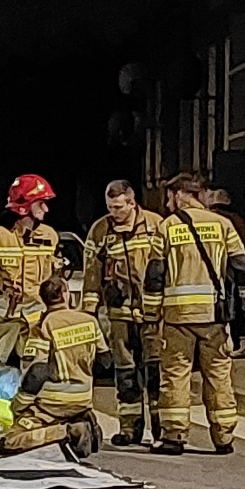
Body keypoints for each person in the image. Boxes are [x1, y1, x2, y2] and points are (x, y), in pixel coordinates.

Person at [144, 173, 245, 456]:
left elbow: (155, 274)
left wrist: (149, 314)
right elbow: (242, 268)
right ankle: (223, 437)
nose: (168, 203)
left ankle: (173, 436)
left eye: (170, 196)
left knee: (175, 375)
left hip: (177, 318)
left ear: (181, 195)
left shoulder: (167, 228)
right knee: (219, 374)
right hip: (214, 317)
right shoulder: (223, 225)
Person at [83, 180, 163, 447]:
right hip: (119, 312)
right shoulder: (101, 230)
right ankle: (129, 427)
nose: (114, 213)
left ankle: (160, 427)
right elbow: (92, 273)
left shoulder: (155, 225)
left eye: (118, 207)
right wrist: (89, 312)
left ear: (132, 202)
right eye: (110, 207)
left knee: (154, 371)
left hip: (152, 313)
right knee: (125, 372)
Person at [0, 276, 107, 459]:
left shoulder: (43, 326)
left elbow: (37, 372)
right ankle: (80, 419)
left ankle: (69, 432)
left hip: (51, 403)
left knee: (10, 440)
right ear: (65, 294)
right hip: (83, 399)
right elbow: (105, 361)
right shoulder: (89, 321)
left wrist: (19, 406)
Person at [0, 174, 60, 368]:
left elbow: (52, 279)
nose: (46, 209)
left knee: (35, 368)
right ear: (25, 206)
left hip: (36, 317)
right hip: (4, 315)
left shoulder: (49, 236)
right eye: (41, 203)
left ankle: (28, 399)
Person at [204, 187, 245, 354]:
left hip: (219, 269)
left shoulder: (214, 219)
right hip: (236, 267)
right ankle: (234, 341)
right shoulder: (237, 220)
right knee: (233, 303)